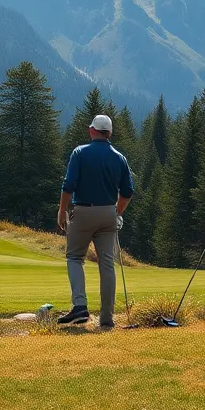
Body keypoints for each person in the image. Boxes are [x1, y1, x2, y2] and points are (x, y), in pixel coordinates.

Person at [55, 114, 134, 327]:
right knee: (107, 264)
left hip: (83, 211)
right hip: (108, 213)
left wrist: (62, 210)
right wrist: (117, 212)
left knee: (74, 257)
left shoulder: (80, 152)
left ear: (92, 131)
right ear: (109, 133)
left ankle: (80, 307)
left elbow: (68, 185)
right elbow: (127, 191)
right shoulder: (119, 157)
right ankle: (107, 318)